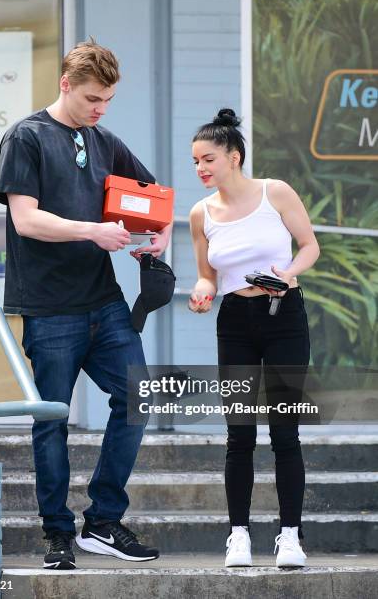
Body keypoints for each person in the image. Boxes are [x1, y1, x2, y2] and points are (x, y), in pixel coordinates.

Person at [0, 38, 171, 570]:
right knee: (52, 420)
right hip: (49, 309)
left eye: (109, 99)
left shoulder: (103, 138)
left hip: (104, 303)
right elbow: (26, 219)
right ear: (66, 84)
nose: (100, 108)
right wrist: (93, 231)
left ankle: (103, 522)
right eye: (93, 97)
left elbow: (151, 195)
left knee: (140, 399)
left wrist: (157, 231)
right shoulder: (26, 137)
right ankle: (56, 535)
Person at [188, 108, 320, 567]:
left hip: (284, 315)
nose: (201, 169)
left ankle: (290, 536)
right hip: (236, 321)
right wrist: (202, 293)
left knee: (286, 430)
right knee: (238, 433)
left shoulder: (275, 193)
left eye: (208, 159)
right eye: (196, 162)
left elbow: (310, 246)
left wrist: (288, 272)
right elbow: (207, 276)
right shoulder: (200, 213)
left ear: (234, 157)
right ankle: (238, 535)